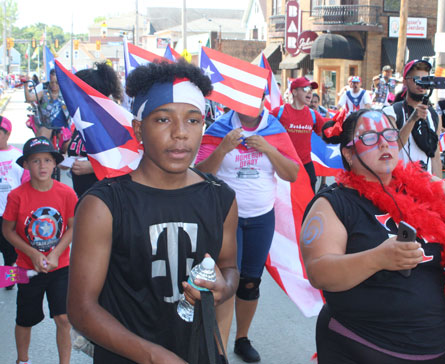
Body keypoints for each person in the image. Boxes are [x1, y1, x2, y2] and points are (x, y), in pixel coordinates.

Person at [67, 61, 239, 364]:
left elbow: (229, 267)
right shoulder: (103, 205)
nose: (180, 134)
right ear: (138, 128)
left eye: (193, 120)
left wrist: (223, 287)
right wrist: (153, 356)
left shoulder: (220, 198)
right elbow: (82, 309)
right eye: (163, 119)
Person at [301, 109, 445, 364]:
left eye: (390, 135)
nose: (384, 143)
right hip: (361, 349)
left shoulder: (421, 184)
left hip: (434, 349)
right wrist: (377, 258)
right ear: (348, 154)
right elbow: (319, 272)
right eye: (370, 137)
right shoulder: (332, 203)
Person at [195, 98, 299, 363]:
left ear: (263, 100)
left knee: (250, 283)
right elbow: (199, 174)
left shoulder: (274, 129)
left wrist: (268, 149)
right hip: (227, 218)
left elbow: (292, 174)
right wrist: (223, 148)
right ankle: (218, 348)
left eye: (255, 99)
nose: (248, 105)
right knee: (228, 279)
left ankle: (242, 339)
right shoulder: (219, 128)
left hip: (261, 218)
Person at [2, 136, 78, 364]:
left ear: (55, 164)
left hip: (60, 267)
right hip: (27, 269)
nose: (42, 165)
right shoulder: (17, 195)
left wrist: (55, 253)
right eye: (35, 161)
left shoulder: (66, 193)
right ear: (25, 165)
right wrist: (33, 253)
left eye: (47, 160)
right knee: (25, 319)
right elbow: (8, 231)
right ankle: (22, 360)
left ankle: (64, 362)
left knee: (63, 318)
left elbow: (73, 227)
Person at [66, 62, 123, 197]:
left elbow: (128, 159)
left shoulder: (112, 119)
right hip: (84, 196)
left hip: (107, 199)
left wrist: (92, 167)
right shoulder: (82, 118)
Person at [383, 59, 442, 176]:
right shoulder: (391, 112)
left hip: (426, 185)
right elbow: (393, 149)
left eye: (426, 79)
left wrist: (439, 189)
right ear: (405, 82)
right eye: (416, 79)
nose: (421, 84)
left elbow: (435, 157)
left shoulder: (434, 116)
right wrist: (413, 119)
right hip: (398, 185)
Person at [271, 76, 325, 191]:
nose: (310, 92)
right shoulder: (279, 112)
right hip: (284, 165)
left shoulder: (314, 115)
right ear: (294, 92)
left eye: (311, 89)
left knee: (308, 201)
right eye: (305, 89)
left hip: (305, 165)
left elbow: (327, 136)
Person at [0, 117, 30, 285]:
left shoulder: (17, 158)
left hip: (10, 214)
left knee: (11, 252)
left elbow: (26, 184)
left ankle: (10, 280)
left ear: (8, 134)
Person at [23, 69, 70, 141]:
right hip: (46, 126)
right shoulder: (43, 92)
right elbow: (29, 98)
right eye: (52, 82)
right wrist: (26, 85)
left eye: (57, 83)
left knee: (67, 144)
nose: (54, 85)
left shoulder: (66, 93)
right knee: (42, 141)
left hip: (62, 127)